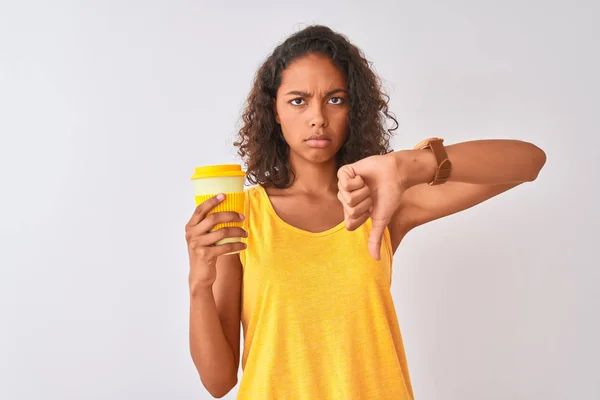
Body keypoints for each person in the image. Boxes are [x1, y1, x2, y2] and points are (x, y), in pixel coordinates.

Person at [184, 25, 546, 399]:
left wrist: (409, 166)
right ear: (273, 110)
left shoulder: (384, 202)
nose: (318, 117)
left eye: (335, 99)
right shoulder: (243, 217)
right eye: (298, 100)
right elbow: (218, 381)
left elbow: (529, 162)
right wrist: (198, 283)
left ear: (353, 108)